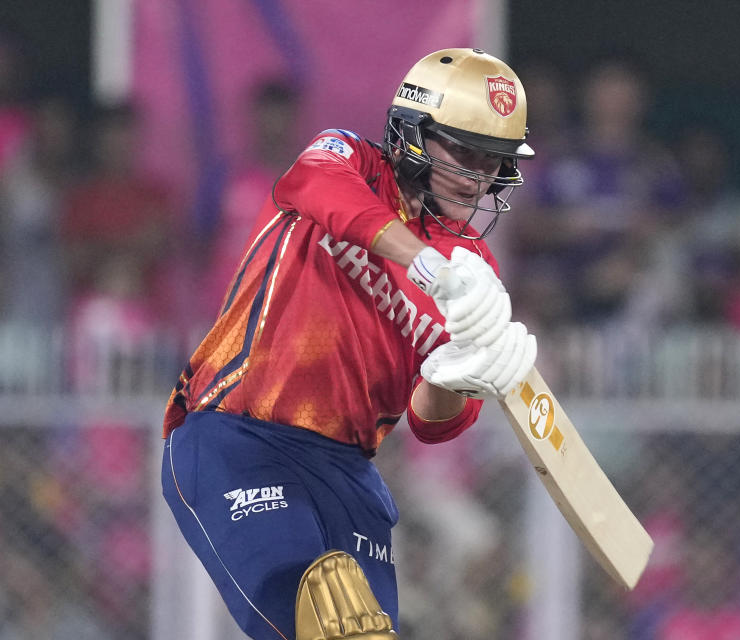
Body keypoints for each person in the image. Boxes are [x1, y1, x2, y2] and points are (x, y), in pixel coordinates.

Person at [160, 48, 538, 640]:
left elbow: (434, 423)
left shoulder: (475, 263)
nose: (480, 177)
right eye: (466, 153)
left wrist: (456, 376)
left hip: (349, 476)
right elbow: (317, 189)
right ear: (415, 134)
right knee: (325, 620)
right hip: (237, 435)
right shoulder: (347, 158)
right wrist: (429, 268)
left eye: (494, 163)